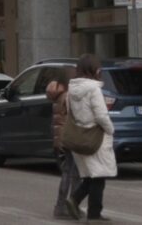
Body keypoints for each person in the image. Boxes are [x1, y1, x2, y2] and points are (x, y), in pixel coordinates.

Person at [67, 54, 116, 222]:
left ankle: (75, 200)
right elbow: (101, 115)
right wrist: (111, 130)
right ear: (95, 70)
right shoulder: (94, 89)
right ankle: (93, 213)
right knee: (99, 176)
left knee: (90, 175)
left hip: (80, 135)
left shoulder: (71, 90)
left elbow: (70, 112)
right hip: (96, 136)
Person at [46, 69, 79, 220]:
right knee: (72, 172)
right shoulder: (67, 97)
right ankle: (65, 206)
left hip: (62, 138)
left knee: (69, 171)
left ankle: (65, 206)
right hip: (70, 137)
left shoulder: (58, 96)